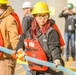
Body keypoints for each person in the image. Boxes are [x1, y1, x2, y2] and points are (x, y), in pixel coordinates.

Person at [16, 1, 64, 75]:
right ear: (35, 16)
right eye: (39, 16)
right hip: (36, 69)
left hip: (50, 68)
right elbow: (22, 40)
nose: (42, 19)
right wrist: (20, 49)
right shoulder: (30, 30)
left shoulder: (51, 31)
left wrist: (56, 59)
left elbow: (54, 47)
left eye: (45, 16)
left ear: (48, 16)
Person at [0, 0, 22, 75]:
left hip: (6, 58)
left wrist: (17, 49)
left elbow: (14, 37)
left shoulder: (9, 19)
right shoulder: (1, 19)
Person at [21, 1, 34, 75]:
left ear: (28, 9)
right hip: (32, 43)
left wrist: (21, 46)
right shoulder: (34, 17)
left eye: (24, 9)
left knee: (27, 66)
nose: (23, 11)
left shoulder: (26, 18)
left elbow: (23, 32)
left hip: (27, 43)